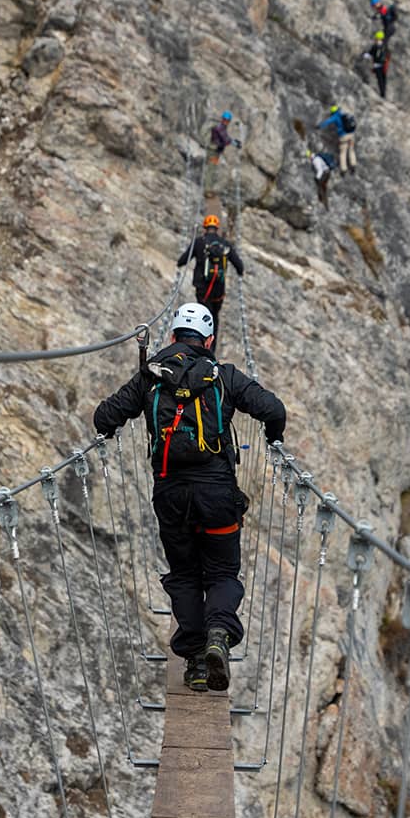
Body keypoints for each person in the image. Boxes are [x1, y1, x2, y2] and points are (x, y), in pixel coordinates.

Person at [93, 302, 286, 692]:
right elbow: (273, 409)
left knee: (183, 574)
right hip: (217, 495)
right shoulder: (224, 376)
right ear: (209, 340)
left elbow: (103, 417)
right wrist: (273, 438)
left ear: (171, 338)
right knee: (221, 573)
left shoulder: (151, 376)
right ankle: (219, 633)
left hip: (171, 494)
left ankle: (197, 663)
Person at [177, 214, 244, 340]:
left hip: (202, 288)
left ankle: (201, 342)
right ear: (217, 228)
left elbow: (183, 260)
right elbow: (239, 265)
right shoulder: (225, 244)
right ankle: (211, 346)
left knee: (203, 315)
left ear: (205, 227)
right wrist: (240, 273)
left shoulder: (199, 242)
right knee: (214, 317)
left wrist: (179, 264)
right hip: (218, 290)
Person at [204, 111, 242, 204]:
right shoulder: (219, 127)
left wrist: (234, 141)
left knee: (212, 169)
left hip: (215, 151)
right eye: (225, 120)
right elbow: (225, 139)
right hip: (213, 151)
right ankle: (207, 190)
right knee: (211, 169)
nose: (226, 121)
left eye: (227, 120)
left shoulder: (222, 127)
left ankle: (209, 189)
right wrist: (235, 143)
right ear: (223, 119)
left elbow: (225, 137)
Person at [316, 104, 357, 176]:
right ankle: (353, 166)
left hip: (343, 136)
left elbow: (327, 122)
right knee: (351, 150)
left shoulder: (335, 117)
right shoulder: (343, 114)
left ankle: (343, 170)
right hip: (351, 134)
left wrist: (319, 126)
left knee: (343, 153)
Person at [363, 30, 390, 98]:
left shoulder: (376, 47)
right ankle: (383, 94)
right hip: (382, 65)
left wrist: (365, 55)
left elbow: (370, 54)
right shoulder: (384, 46)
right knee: (382, 80)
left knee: (381, 80)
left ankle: (382, 94)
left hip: (379, 65)